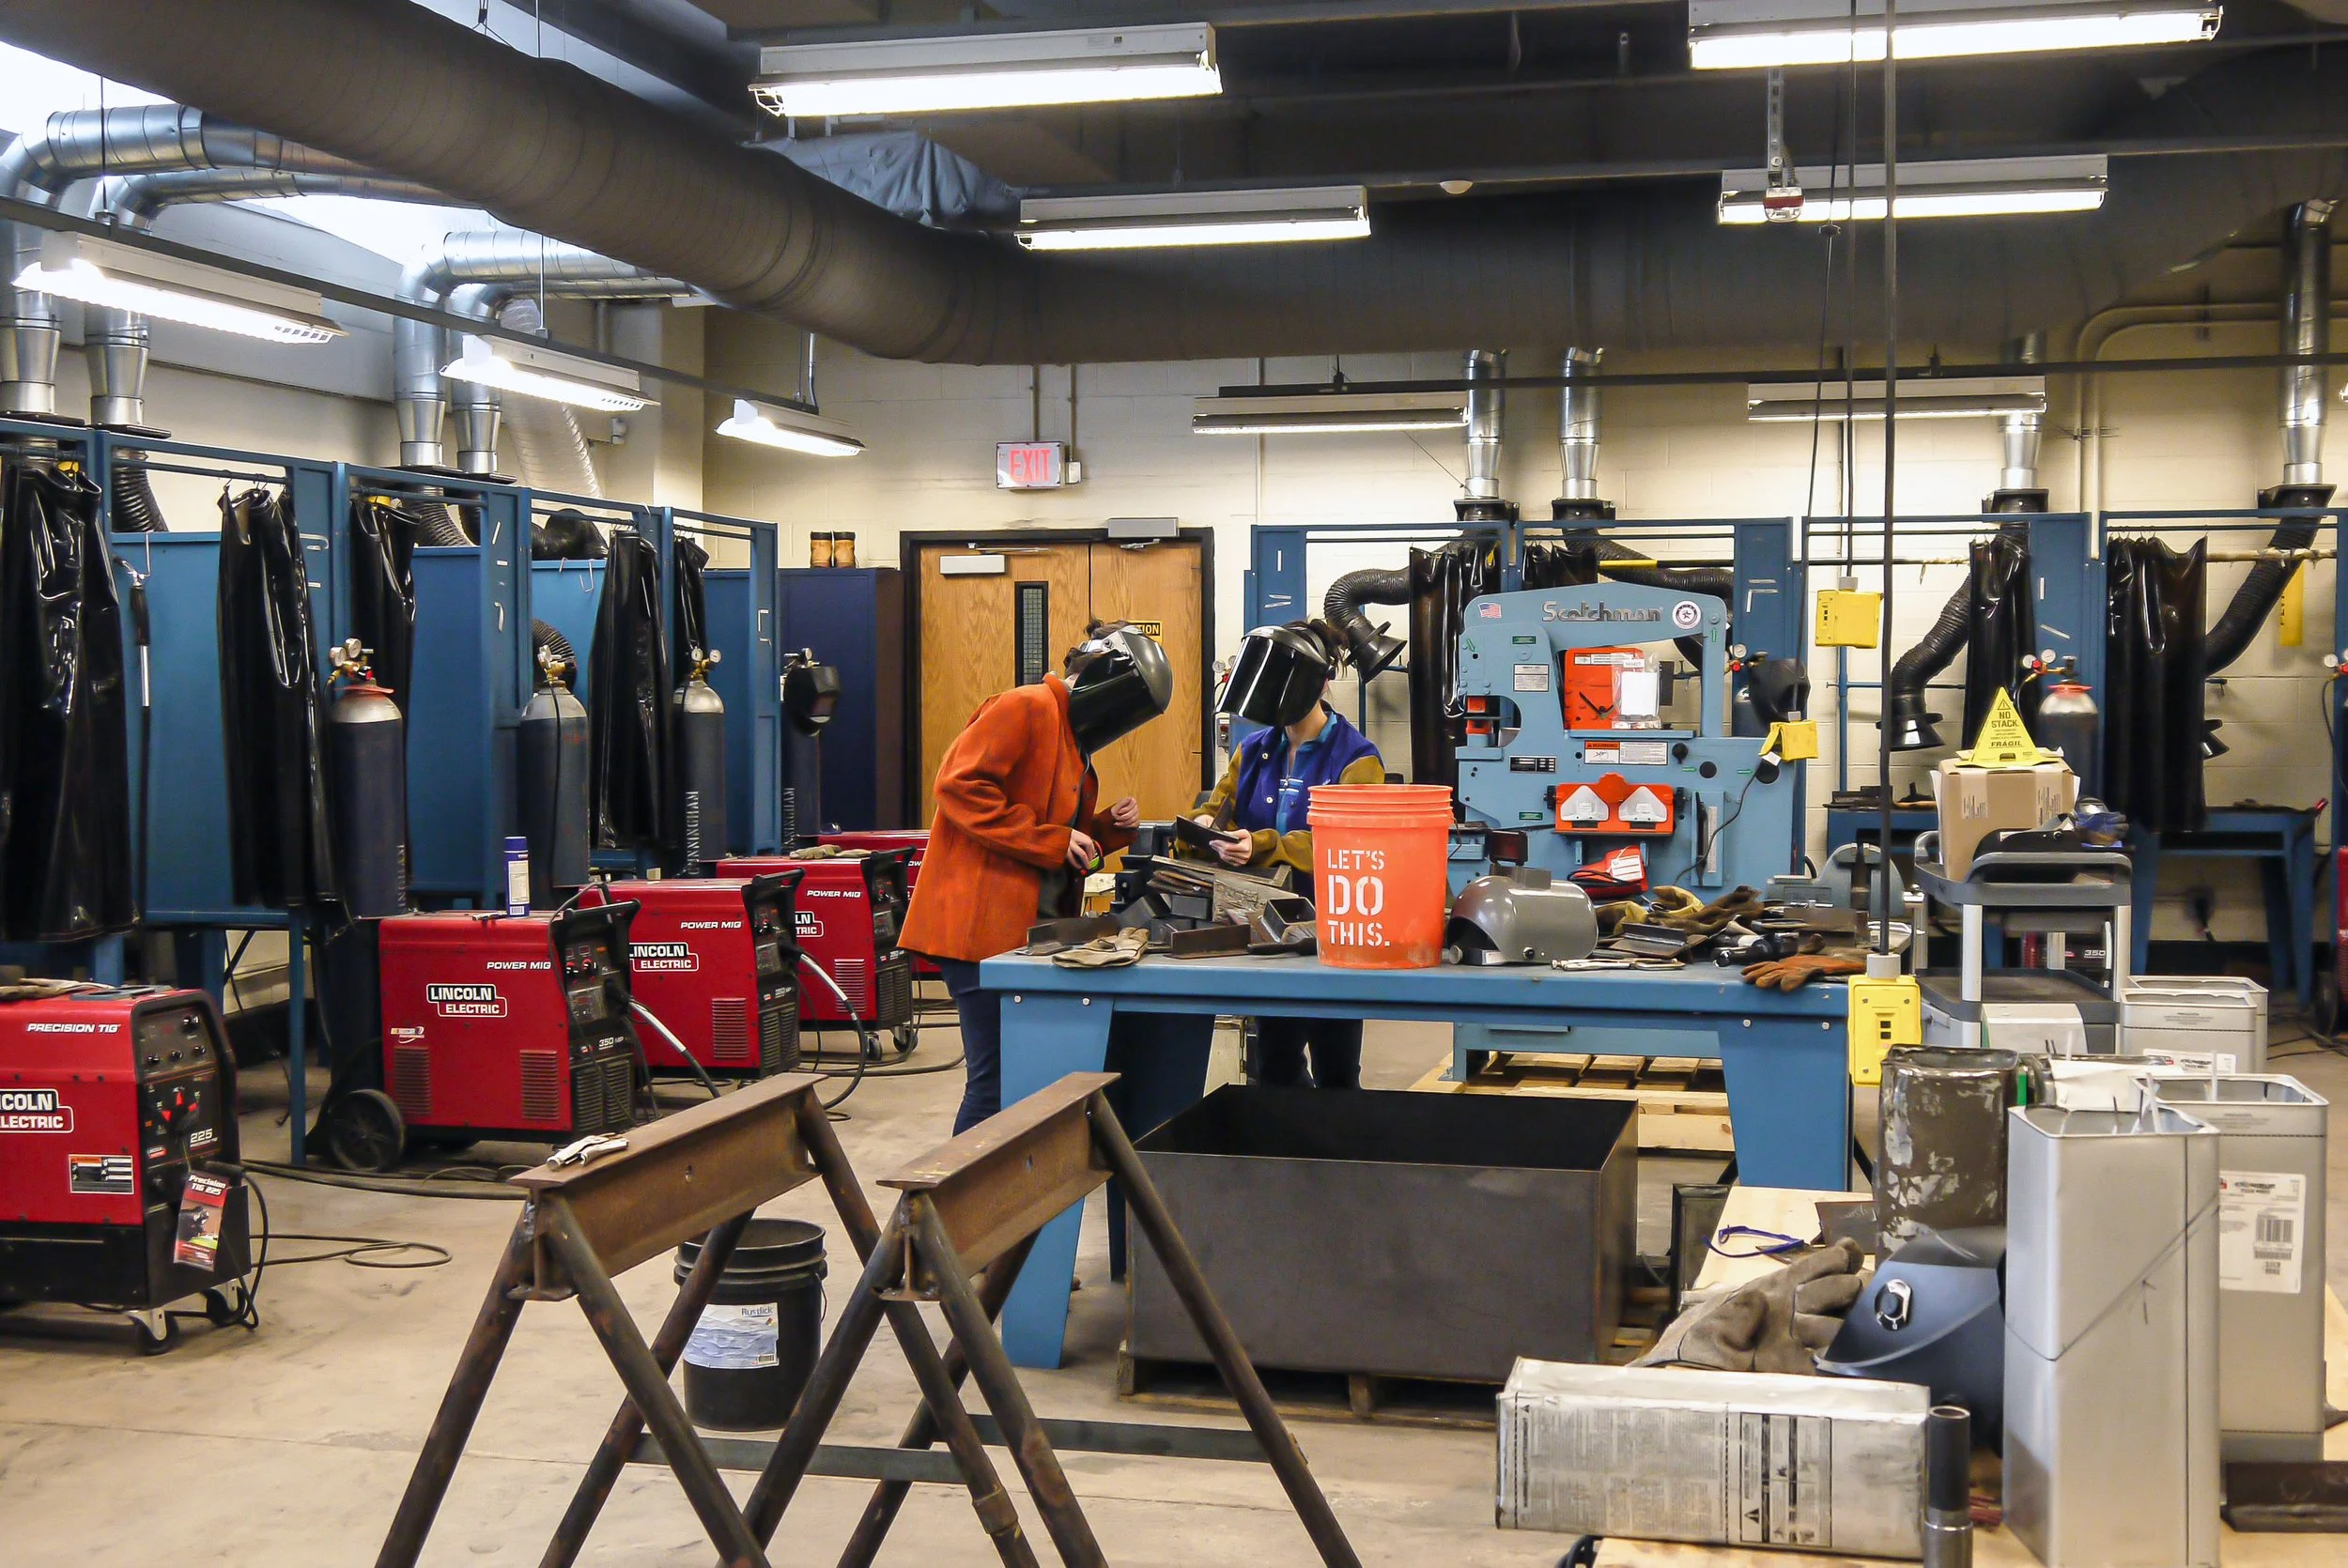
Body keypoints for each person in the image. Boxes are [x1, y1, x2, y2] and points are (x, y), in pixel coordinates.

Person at [901, 622, 1174, 1132]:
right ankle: (954, 1209)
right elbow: (958, 788)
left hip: (1023, 934)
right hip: (978, 936)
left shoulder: (1071, 736)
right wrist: (1053, 840)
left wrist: (1103, 832)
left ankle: (1000, 1203)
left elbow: (1049, 835)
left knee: (1021, 1082)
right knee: (996, 1084)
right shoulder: (1024, 706)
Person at [1193, 619, 1386, 1089]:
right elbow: (1218, 808)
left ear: (1318, 682)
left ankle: (1337, 1159)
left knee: (1336, 1069)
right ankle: (1287, 1156)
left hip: (1332, 935)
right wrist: (1202, 826)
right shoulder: (1255, 748)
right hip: (1265, 932)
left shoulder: (1357, 757)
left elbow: (1345, 844)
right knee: (1276, 1064)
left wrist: (1261, 844)